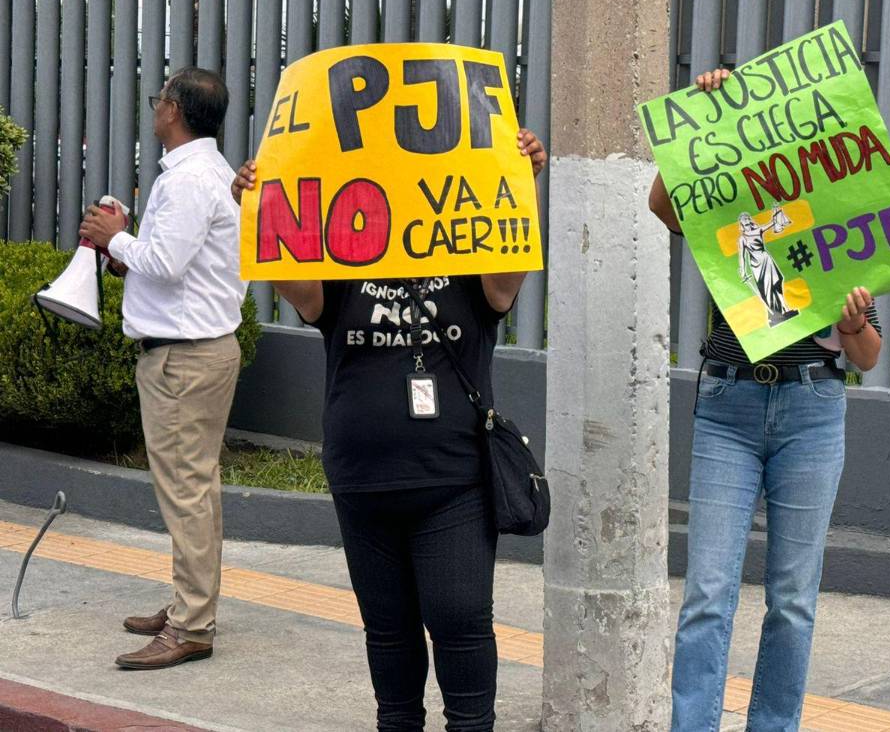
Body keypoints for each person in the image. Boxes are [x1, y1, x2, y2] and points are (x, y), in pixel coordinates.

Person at [232, 129, 545, 731]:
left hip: (453, 482)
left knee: (460, 624)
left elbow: (508, 267)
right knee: (390, 635)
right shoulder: (341, 266)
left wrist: (520, 180)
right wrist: (261, 204)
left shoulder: (472, 265)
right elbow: (294, 283)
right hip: (363, 482)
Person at [649, 68, 881, 732]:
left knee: (792, 602)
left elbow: (867, 355)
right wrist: (698, 118)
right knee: (707, 596)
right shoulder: (732, 198)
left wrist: (853, 323)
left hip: (813, 409)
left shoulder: (847, 211)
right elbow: (663, 203)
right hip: (729, 403)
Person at [78, 68, 246, 670]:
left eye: (158, 101)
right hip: (199, 350)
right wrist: (128, 255)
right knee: (195, 488)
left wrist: (115, 238)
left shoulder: (189, 180)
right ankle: (188, 607)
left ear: (173, 109)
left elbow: (168, 263)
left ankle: (191, 625)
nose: (154, 110)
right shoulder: (212, 174)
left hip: (183, 358)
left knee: (187, 491)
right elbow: (186, 268)